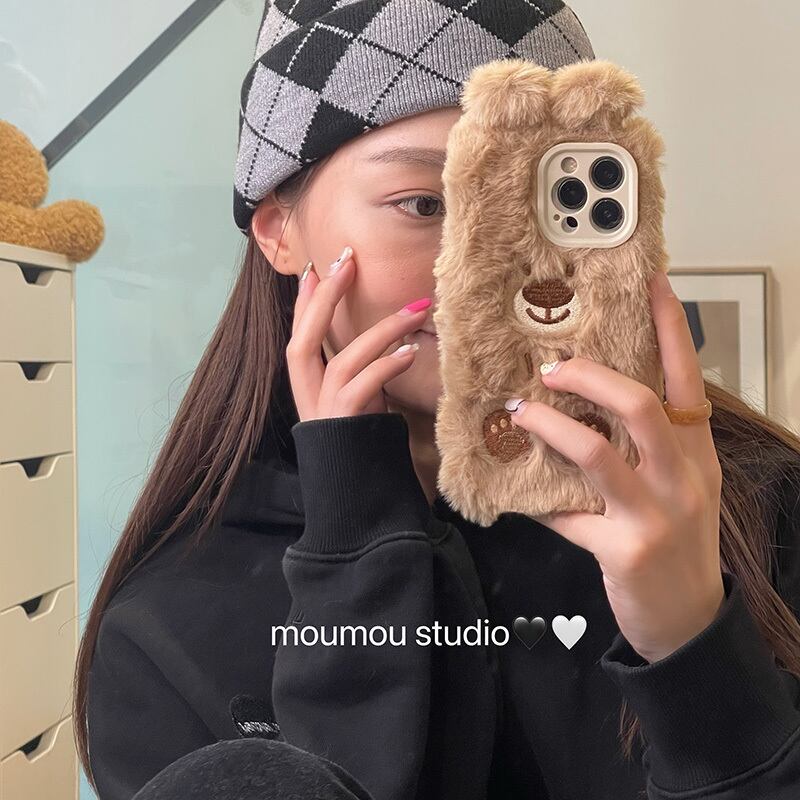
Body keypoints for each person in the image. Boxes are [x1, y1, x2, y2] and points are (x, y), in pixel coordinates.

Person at [73, 2, 800, 799]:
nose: (498, 268)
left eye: (545, 202)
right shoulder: (168, 626)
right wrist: (352, 569)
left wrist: (695, 648)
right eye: (427, 205)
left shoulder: (753, 512)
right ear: (279, 228)